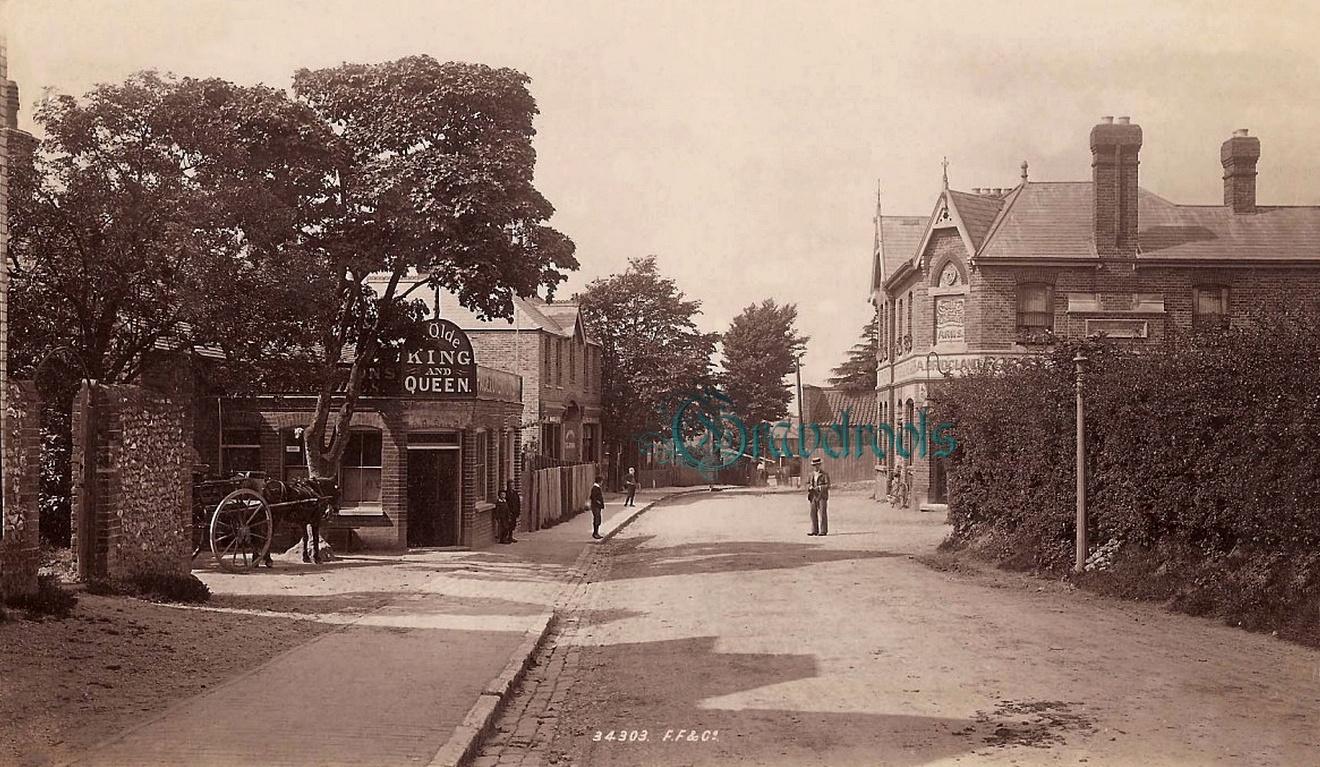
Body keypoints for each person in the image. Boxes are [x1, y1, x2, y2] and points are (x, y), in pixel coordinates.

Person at [807, 455, 831, 536]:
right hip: (813, 496)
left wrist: (820, 487)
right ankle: (814, 530)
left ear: (820, 465)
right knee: (813, 513)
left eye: (817, 465)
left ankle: (823, 531)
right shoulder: (811, 475)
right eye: (814, 465)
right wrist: (809, 487)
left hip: (822, 496)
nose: (815, 467)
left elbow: (828, 485)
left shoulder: (824, 474)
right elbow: (807, 483)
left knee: (822, 513)